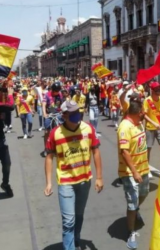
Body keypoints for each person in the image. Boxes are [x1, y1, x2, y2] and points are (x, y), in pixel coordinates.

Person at [44, 100, 103, 250]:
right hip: (65, 182)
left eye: (78, 111)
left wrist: (99, 177)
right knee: (68, 221)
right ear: (64, 115)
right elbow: (49, 157)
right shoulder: (55, 133)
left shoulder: (88, 129)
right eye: (73, 113)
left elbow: (96, 151)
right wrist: (49, 182)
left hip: (85, 180)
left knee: (79, 214)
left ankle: (76, 237)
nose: (78, 115)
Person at [117, 98, 149, 250]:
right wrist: (135, 172)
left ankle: (136, 210)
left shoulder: (139, 123)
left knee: (144, 193)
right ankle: (131, 232)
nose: (145, 113)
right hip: (130, 172)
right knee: (132, 202)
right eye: (143, 111)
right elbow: (124, 152)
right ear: (137, 113)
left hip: (144, 169)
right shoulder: (125, 127)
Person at [143, 82, 160, 166]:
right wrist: (153, 123)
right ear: (152, 91)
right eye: (157, 89)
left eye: (159, 89)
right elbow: (145, 115)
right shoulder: (147, 101)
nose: (159, 91)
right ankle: (147, 168)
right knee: (148, 149)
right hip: (150, 128)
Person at [42, 82, 63, 157]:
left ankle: (59, 148)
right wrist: (44, 114)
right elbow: (44, 105)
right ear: (53, 90)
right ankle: (46, 149)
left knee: (63, 129)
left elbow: (62, 104)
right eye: (56, 91)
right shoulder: (47, 94)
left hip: (58, 114)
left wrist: (63, 111)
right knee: (47, 132)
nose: (57, 92)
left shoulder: (59, 95)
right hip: (49, 114)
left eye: (58, 91)